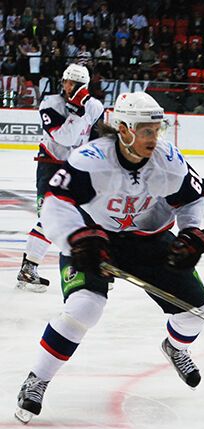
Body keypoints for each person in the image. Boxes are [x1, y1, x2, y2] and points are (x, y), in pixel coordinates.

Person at [15, 91, 204, 424]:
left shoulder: (169, 160)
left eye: (156, 129)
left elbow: (192, 199)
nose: (154, 137)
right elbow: (55, 202)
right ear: (123, 129)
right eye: (146, 130)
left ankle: (175, 347)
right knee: (84, 307)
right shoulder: (91, 159)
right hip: (95, 238)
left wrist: (191, 233)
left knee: (196, 314)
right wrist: (75, 238)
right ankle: (37, 379)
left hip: (148, 241)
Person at [16, 63, 104, 292]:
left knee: (89, 216)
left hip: (78, 168)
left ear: (85, 86)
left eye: (75, 84)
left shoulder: (95, 107)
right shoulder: (50, 103)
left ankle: (88, 266)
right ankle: (28, 268)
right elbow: (65, 138)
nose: (69, 87)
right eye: (67, 82)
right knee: (48, 219)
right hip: (50, 166)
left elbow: (96, 139)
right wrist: (76, 109)